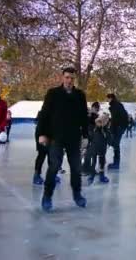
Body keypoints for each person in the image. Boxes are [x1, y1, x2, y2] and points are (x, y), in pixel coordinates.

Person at [37, 67, 89, 212]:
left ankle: (77, 195)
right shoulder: (53, 93)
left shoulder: (80, 95)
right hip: (56, 137)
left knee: (76, 167)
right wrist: (42, 133)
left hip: (73, 137)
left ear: (74, 80)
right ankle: (47, 196)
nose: (69, 80)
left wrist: (86, 135)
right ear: (62, 78)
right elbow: (44, 114)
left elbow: (84, 117)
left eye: (72, 78)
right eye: (67, 77)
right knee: (54, 166)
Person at [33, 110, 61, 185]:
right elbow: (39, 125)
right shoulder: (44, 112)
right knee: (42, 155)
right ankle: (36, 175)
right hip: (42, 135)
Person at [85, 115, 111, 185]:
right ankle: (92, 175)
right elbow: (90, 137)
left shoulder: (105, 130)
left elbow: (109, 140)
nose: (100, 123)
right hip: (94, 148)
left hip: (102, 149)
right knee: (94, 162)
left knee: (101, 162)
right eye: (99, 122)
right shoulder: (94, 129)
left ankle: (101, 175)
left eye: (102, 121)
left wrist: (109, 142)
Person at [106, 93, 129, 170]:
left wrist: (112, 129)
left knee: (116, 144)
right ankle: (116, 163)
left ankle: (116, 163)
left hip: (119, 127)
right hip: (121, 126)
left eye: (108, 98)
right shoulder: (118, 105)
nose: (107, 100)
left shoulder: (114, 106)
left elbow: (115, 119)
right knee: (115, 144)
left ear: (111, 98)